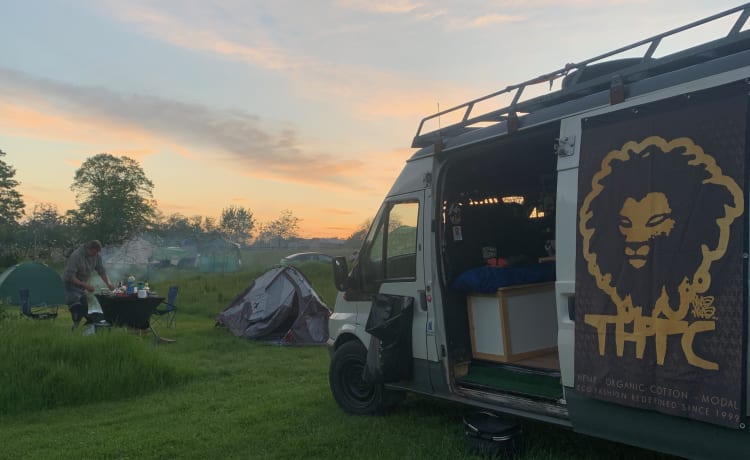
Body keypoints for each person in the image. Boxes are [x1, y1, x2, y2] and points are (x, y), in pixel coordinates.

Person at [62, 240, 115, 328]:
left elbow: (101, 271)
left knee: (85, 308)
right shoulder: (76, 256)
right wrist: (86, 286)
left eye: (97, 252)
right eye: (94, 252)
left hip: (81, 286)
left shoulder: (96, 255)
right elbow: (70, 276)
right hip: (70, 285)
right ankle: (74, 329)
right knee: (77, 309)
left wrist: (108, 284)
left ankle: (77, 328)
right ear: (88, 249)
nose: (95, 255)